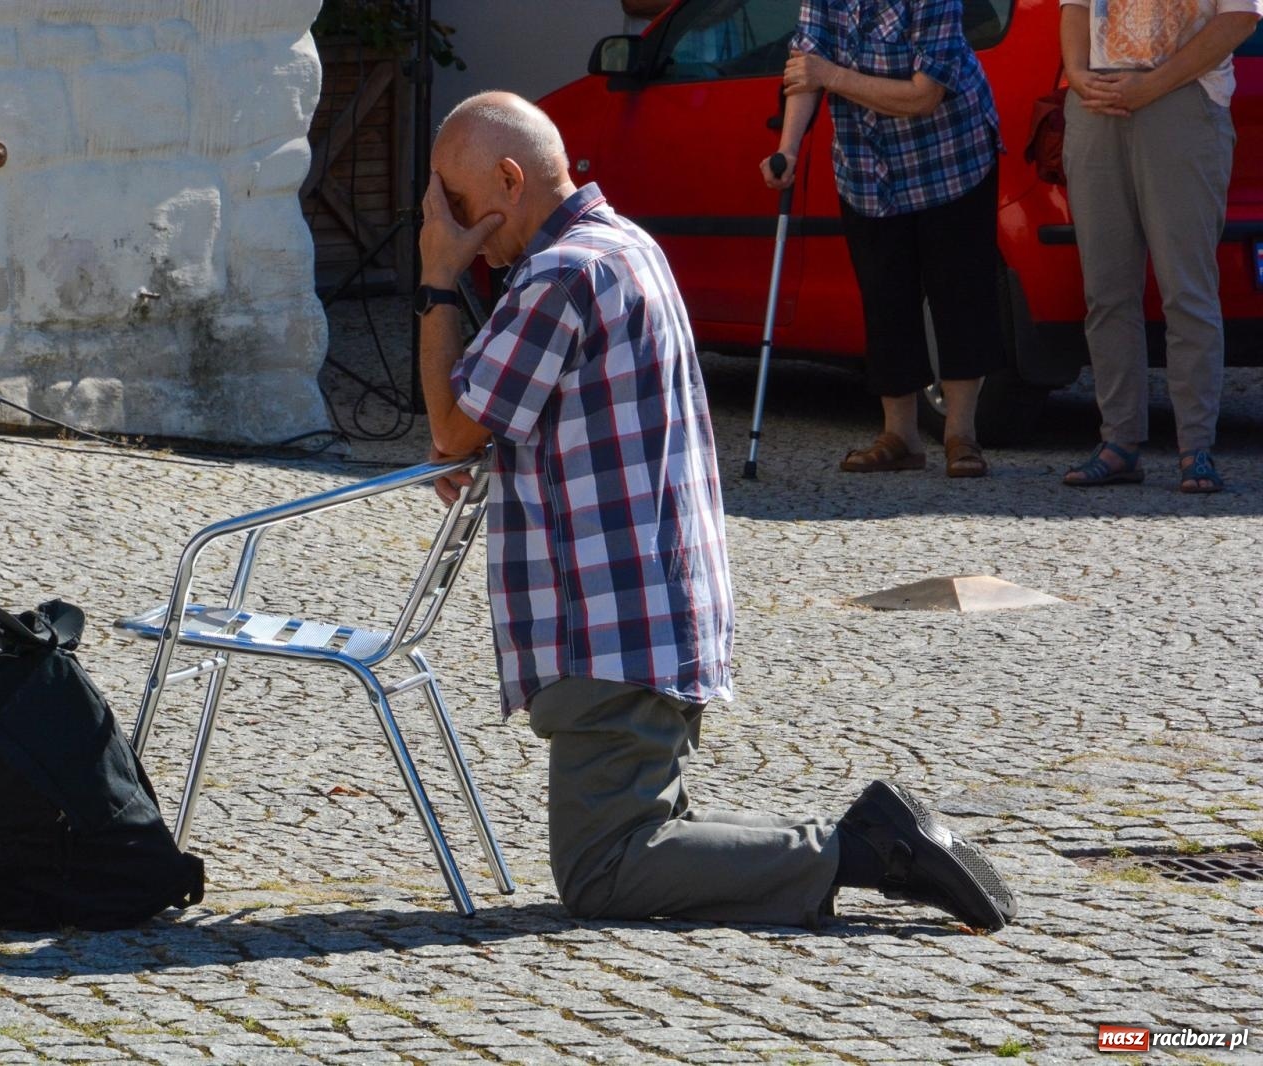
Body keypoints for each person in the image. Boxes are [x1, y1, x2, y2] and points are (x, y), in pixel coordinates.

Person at [417, 90, 1016, 930]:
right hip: (651, 612)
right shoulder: (623, 247)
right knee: (650, 836)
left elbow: (449, 428)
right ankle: (864, 841)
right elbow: (509, 416)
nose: (449, 222)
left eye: (456, 202)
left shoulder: (560, 274)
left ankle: (858, 850)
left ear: (509, 179)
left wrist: (438, 279)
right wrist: (486, 444)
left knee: (605, 870)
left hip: (610, 627)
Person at [764, 0, 1005, 478]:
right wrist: (787, 148)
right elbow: (805, 67)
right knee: (884, 295)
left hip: (949, 158)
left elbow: (924, 95)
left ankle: (962, 436)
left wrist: (830, 75)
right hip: (866, 166)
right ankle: (900, 438)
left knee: (959, 294)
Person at [1058, 0, 1262, 493]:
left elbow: (1241, 16)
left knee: (1186, 289)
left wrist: (1151, 85)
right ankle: (1119, 443)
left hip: (1183, 100)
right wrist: (1077, 73)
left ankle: (1196, 448)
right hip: (1098, 101)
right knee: (1106, 289)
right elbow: (1074, 7)